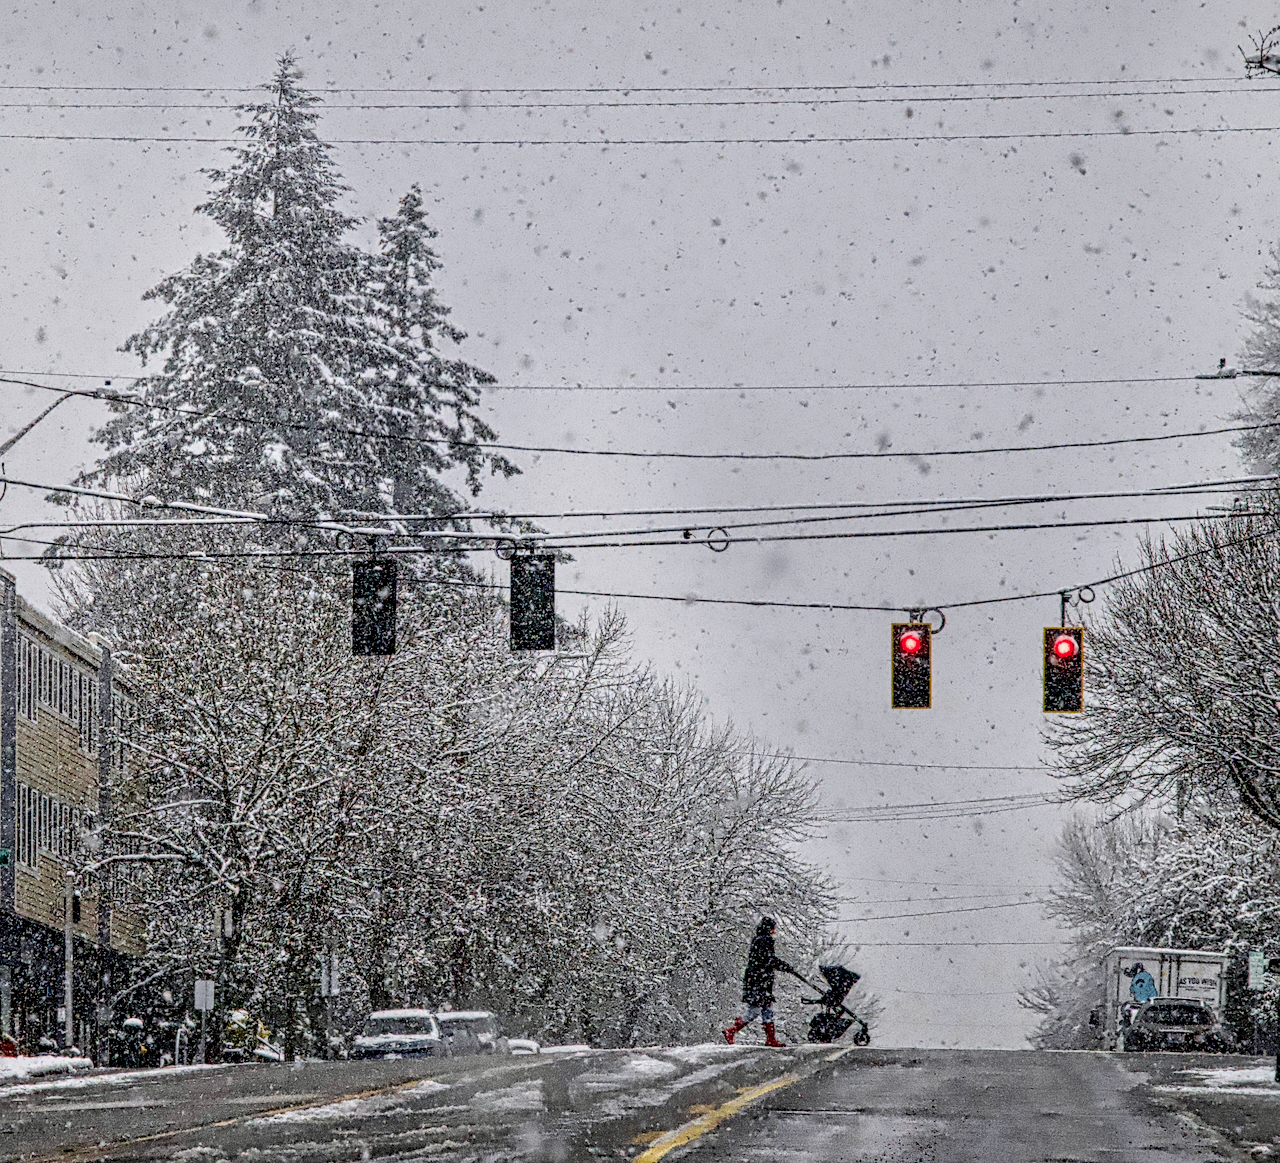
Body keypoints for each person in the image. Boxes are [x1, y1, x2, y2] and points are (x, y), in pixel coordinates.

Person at [723, 916, 795, 1047]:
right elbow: (768, 959)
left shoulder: (761, 939)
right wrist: (784, 966)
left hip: (759, 981)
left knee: (767, 1009)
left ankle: (770, 1038)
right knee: (755, 1010)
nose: (774, 930)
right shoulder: (764, 940)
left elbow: (767, 959)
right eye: (773, 928)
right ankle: (732, 1030)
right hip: (758, 982)